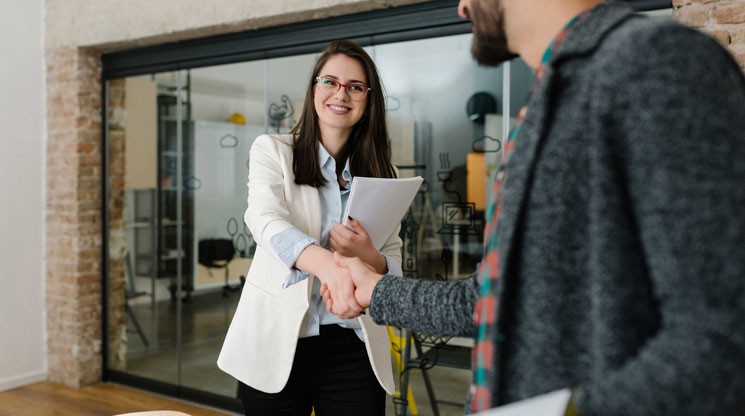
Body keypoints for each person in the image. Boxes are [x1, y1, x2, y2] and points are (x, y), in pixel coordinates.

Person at [322, 0, 745, 415]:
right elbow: (491, 298)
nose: (463, 8)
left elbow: (721, 342)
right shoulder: (551, 98)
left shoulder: (657, 63)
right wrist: (376, 289)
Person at [217, 39, 402, 416]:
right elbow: (264, 220)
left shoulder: (385, 174)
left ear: (369, 100)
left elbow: (393, 262)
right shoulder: (272, 151)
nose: (341, 94)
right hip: (275, 340)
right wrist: (329, 266)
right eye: (330, 82)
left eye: (355, 87)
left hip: (353, 344)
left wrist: (368, 255)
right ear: (314, 88)